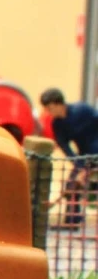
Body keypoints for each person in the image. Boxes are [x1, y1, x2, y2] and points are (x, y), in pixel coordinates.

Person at [40, 89, 98, 228]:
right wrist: (80, 167)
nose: (49, 112)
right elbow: (65, 146)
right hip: (85, 157)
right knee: (72, 186)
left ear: (59, 104)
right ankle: (73, 221)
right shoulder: (58, 124)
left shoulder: (83, 110)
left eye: (50, 108)